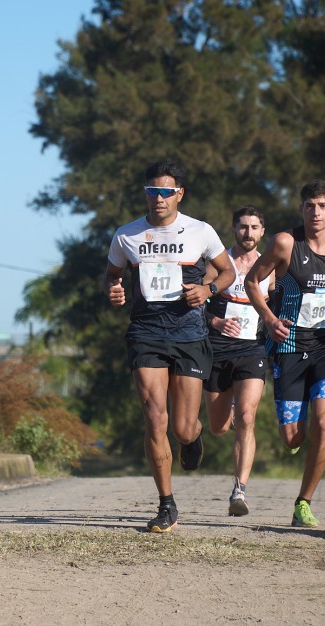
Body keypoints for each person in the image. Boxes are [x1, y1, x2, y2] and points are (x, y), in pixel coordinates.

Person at [105, 158, 236, 533]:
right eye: (152, 191)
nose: (158, 198)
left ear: (179, 193)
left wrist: (208, 289)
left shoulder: (200, 231)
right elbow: (112, 275)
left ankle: (191, 440)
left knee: (181, 427)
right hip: (146, 332)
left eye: (165, 192)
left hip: (189, 335)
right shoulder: (127, 235)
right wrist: (113, 290)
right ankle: (167, 505)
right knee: (154, 417)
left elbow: (228, 272)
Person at [244, 179, 325, 528]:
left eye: (322, 205)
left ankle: (304, 501)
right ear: (301, 209)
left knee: (324, 423)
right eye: (309, 206)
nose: (315, 212)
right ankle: (296, 438)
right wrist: (269, 319)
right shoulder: (286, 243)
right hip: (288, 346)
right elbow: (251, 282)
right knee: (293, 438)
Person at [202, 205, 275, 517]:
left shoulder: (270, 267)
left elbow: (283, 302)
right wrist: (215, 322)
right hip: (217, 350)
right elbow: (197, 303)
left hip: (253, 350)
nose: (249, 233)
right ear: (234, 229)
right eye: (243, 227)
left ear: (262, 232)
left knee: (247, 416)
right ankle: (227, 414)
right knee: (218, 428)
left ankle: (239, 491)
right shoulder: (220, 262)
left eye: (254, 227)